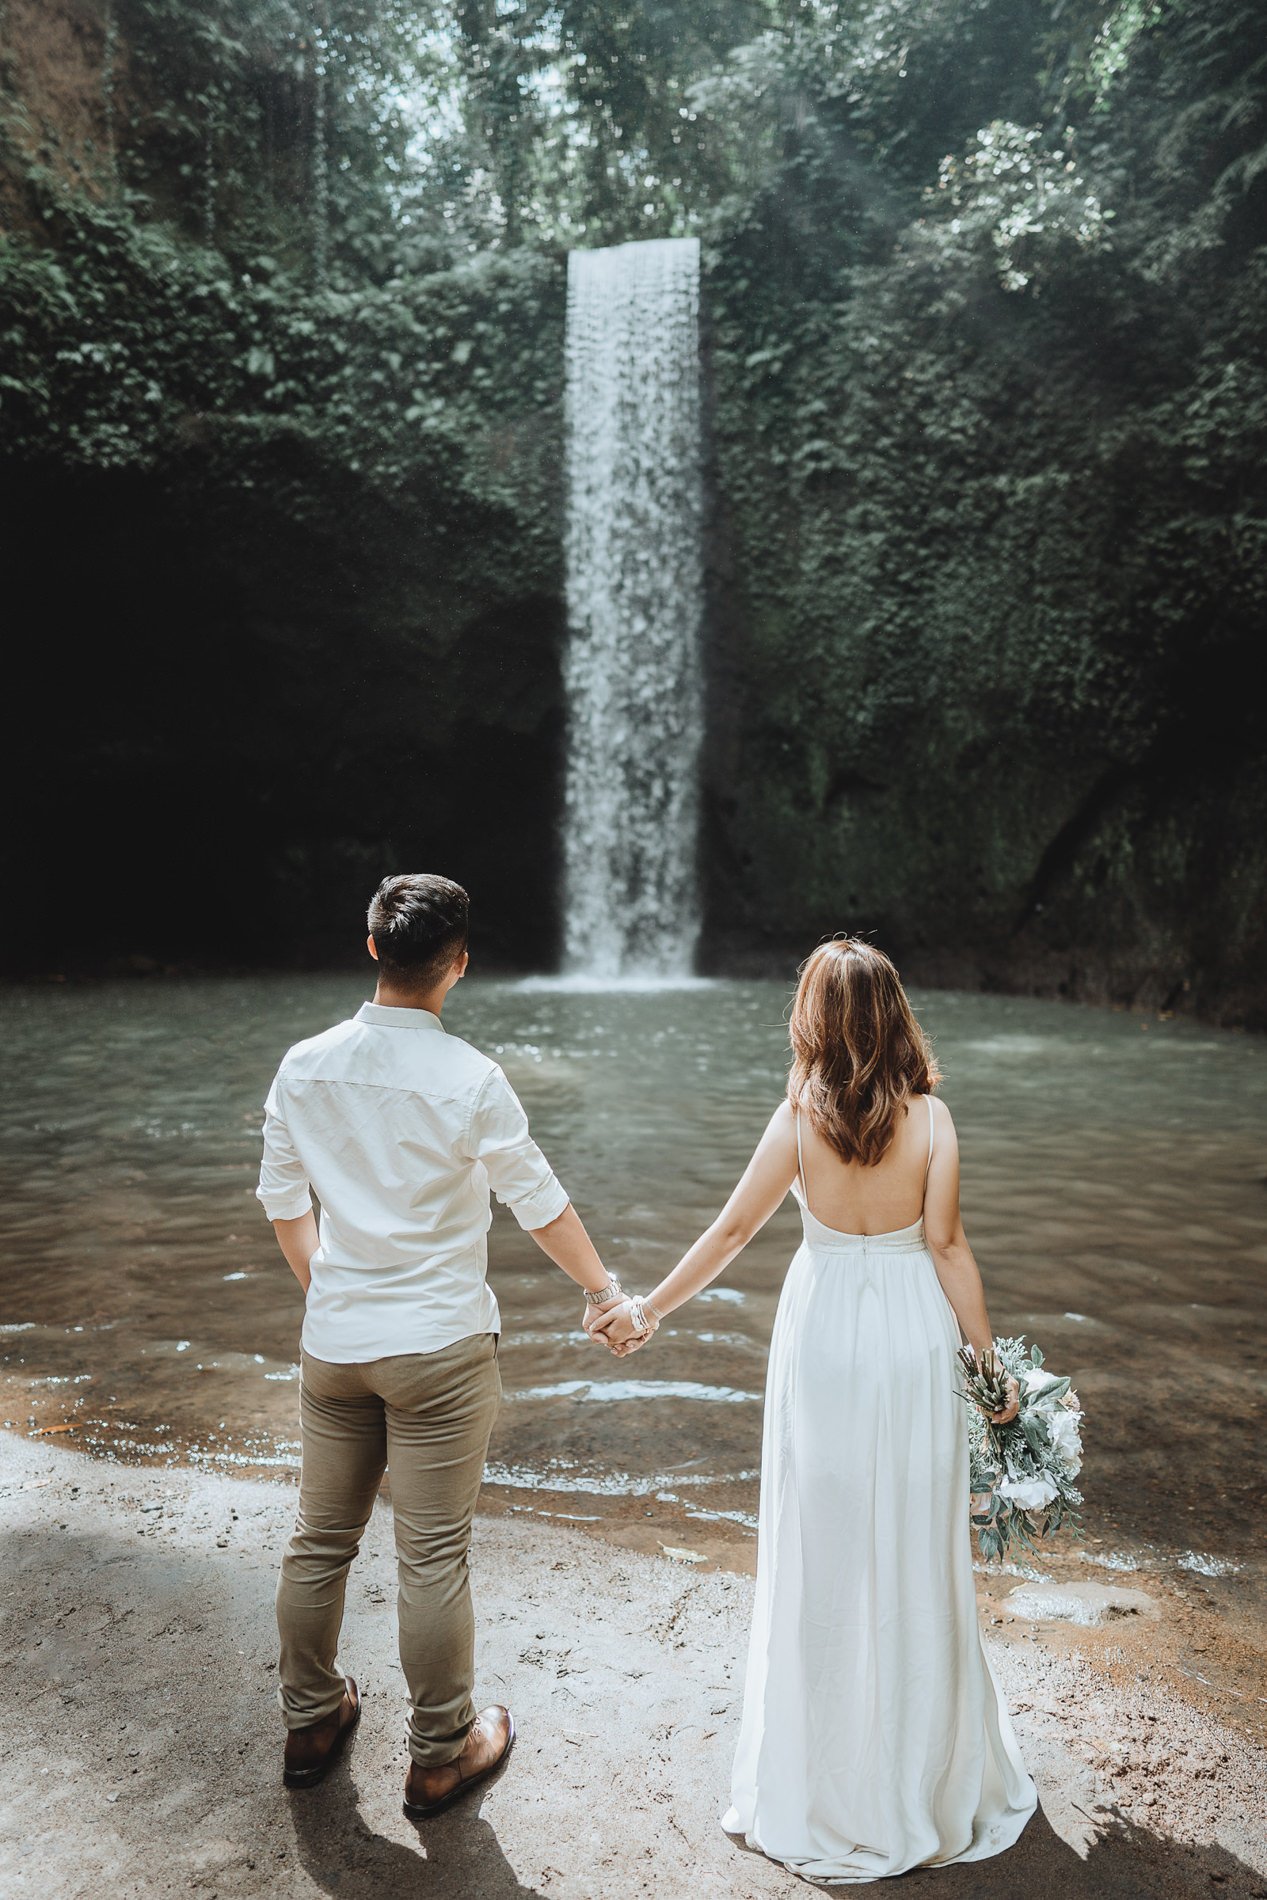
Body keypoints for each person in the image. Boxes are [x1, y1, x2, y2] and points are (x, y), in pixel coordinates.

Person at [590, 937, 1038, 1882]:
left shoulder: (797, 1120)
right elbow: (948, 1247)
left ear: (813, 1019)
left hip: (826, 1338)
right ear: (893, 1015)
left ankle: (824, 1780)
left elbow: (733, 1230)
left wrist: (647, 1311)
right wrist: (991, 1372)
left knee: (823, 1548)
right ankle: (924, 1780)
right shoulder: (934, 1121)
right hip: (915, 1340)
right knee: (915, 1545)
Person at [256, 873, 623, 1816]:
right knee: (431, 1555)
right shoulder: (471, 1079)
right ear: (457, 966)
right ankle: (440, 1753)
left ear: (372, 946)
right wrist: (602, 1295)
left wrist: (330, 1292)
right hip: (440, 1352)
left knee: (319, 1540)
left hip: (336, 1344)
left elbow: (281, 1200)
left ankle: (309, 1720)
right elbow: (539, 1203)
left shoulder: (303, 1065)